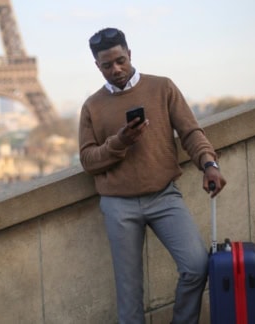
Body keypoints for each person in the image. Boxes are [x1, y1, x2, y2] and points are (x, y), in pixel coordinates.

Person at [79, 27, 226, 324]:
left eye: (120, 60)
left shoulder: (162, 87)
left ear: (129, 54)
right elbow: (88, 160)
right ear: (97, 66)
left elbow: (190, 132)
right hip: (118, 204)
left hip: (163, 195)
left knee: (196, 266)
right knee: (129, 292)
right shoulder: (92, 106)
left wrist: (209, 164)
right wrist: (120, 141)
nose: (116, 69)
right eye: (107, 65)